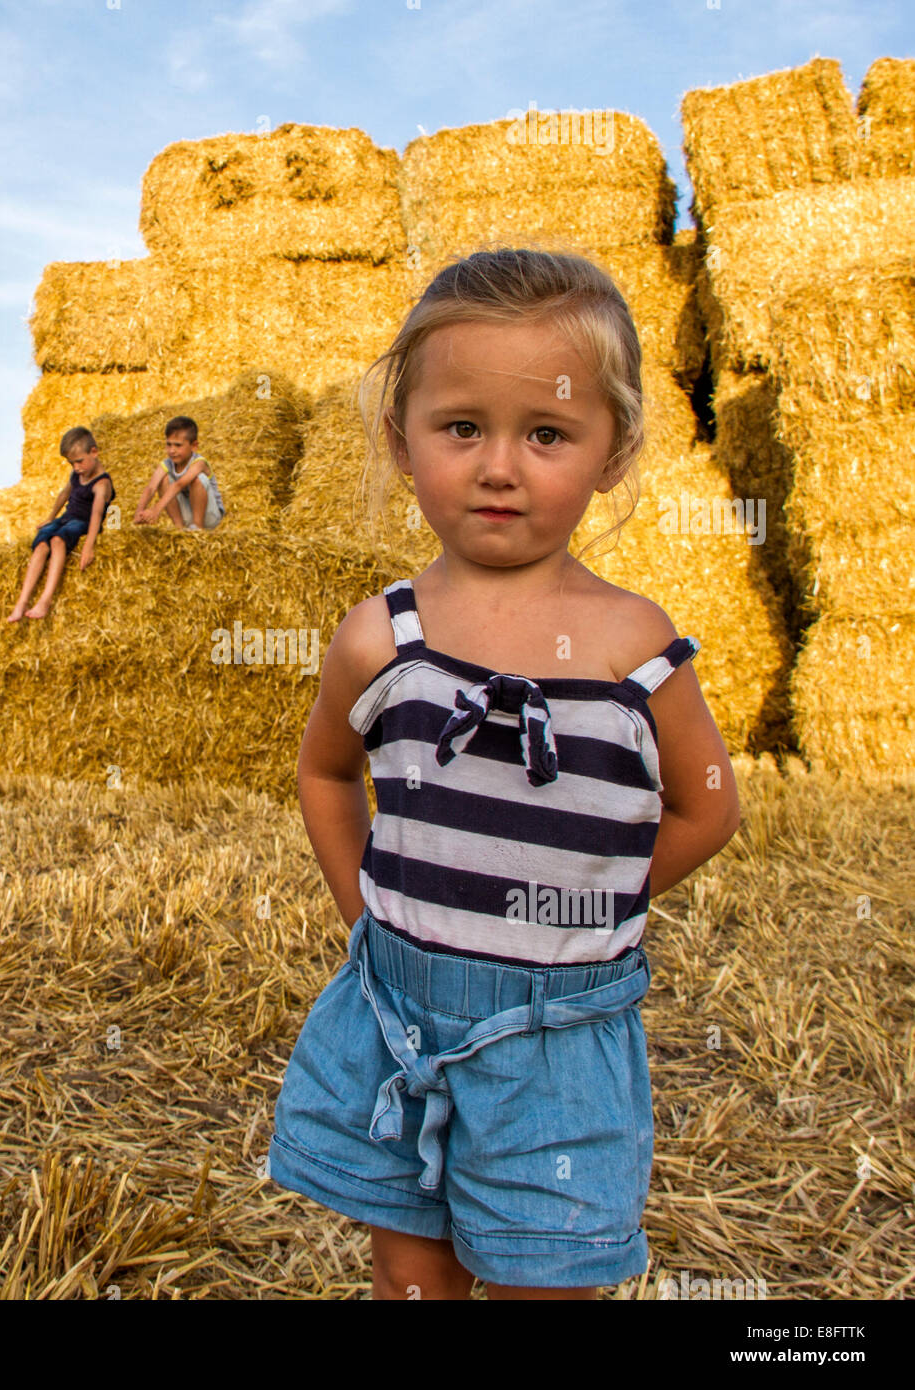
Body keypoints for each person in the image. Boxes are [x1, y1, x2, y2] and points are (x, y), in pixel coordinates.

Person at [267, 245, 741, 1301]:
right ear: (401, 440)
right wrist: (366, 913)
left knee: (545, 1276)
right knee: (409, 1271)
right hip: (394, 1018)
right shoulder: (380, 636)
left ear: (611, 451)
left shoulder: (632, 640)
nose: (498, 467)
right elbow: (324, 775)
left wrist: (578, 902)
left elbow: (707, 805)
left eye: (546, 434)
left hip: (556, 1043)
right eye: (461, 427)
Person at [8, 427, 113, 622]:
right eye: (71, 463)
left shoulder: (102, 484)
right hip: (65, 518)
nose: (76, 467)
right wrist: (50, 517)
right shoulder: (77, 475)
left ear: (94, 452)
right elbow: (64, 494)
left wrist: (88, 547)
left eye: (79, 461)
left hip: (83, 522)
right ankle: (22, 601)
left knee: (58, 540)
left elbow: (97, 515)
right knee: (40, 546)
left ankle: (45, 599)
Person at [133, 416, 227, 530]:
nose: (172, 450)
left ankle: (198, 527)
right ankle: (179, 528)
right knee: (163, 480)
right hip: (187, 514)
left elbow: (179, 484)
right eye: (169, 444)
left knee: (197, 479)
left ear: (194, 446)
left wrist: (156, 510)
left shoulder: (199, 463)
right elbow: (150, 488)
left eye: (178, 445)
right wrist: (139, 513)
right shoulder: (167, 463)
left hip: (210, 516)